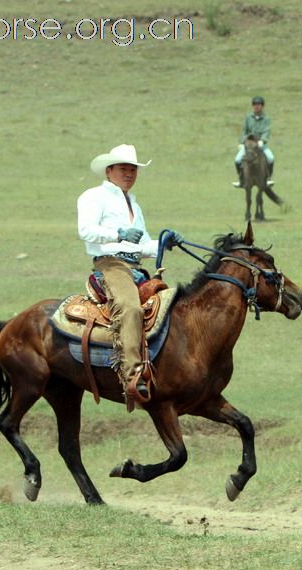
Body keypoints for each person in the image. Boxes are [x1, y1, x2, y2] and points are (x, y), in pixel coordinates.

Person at [77, 144, 182, 406]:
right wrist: (118, 234)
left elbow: (142, 245)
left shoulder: (134, 204)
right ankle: (133, 375)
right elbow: (86, 231)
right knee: (129, 307)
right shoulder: (93, 196)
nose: (129, 174)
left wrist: (164, 243)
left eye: (133, 169)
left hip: (135, 267)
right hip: (111, 264)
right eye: (124, 169)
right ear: (109, 170)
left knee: (172, 304)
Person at [232, 96, 275, 188]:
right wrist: (242, 142)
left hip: (260, 143)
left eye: (259, 105)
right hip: (248, 144)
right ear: (252, 106)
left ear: (262, 106)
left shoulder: (266, 119)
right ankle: (241, 180)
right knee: (237, 160)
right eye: (255, 104)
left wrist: (262, 141)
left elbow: (266, 131)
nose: (256, 106)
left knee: (270, 158)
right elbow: (244, 131)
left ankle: (268, 179)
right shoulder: (248, 118)